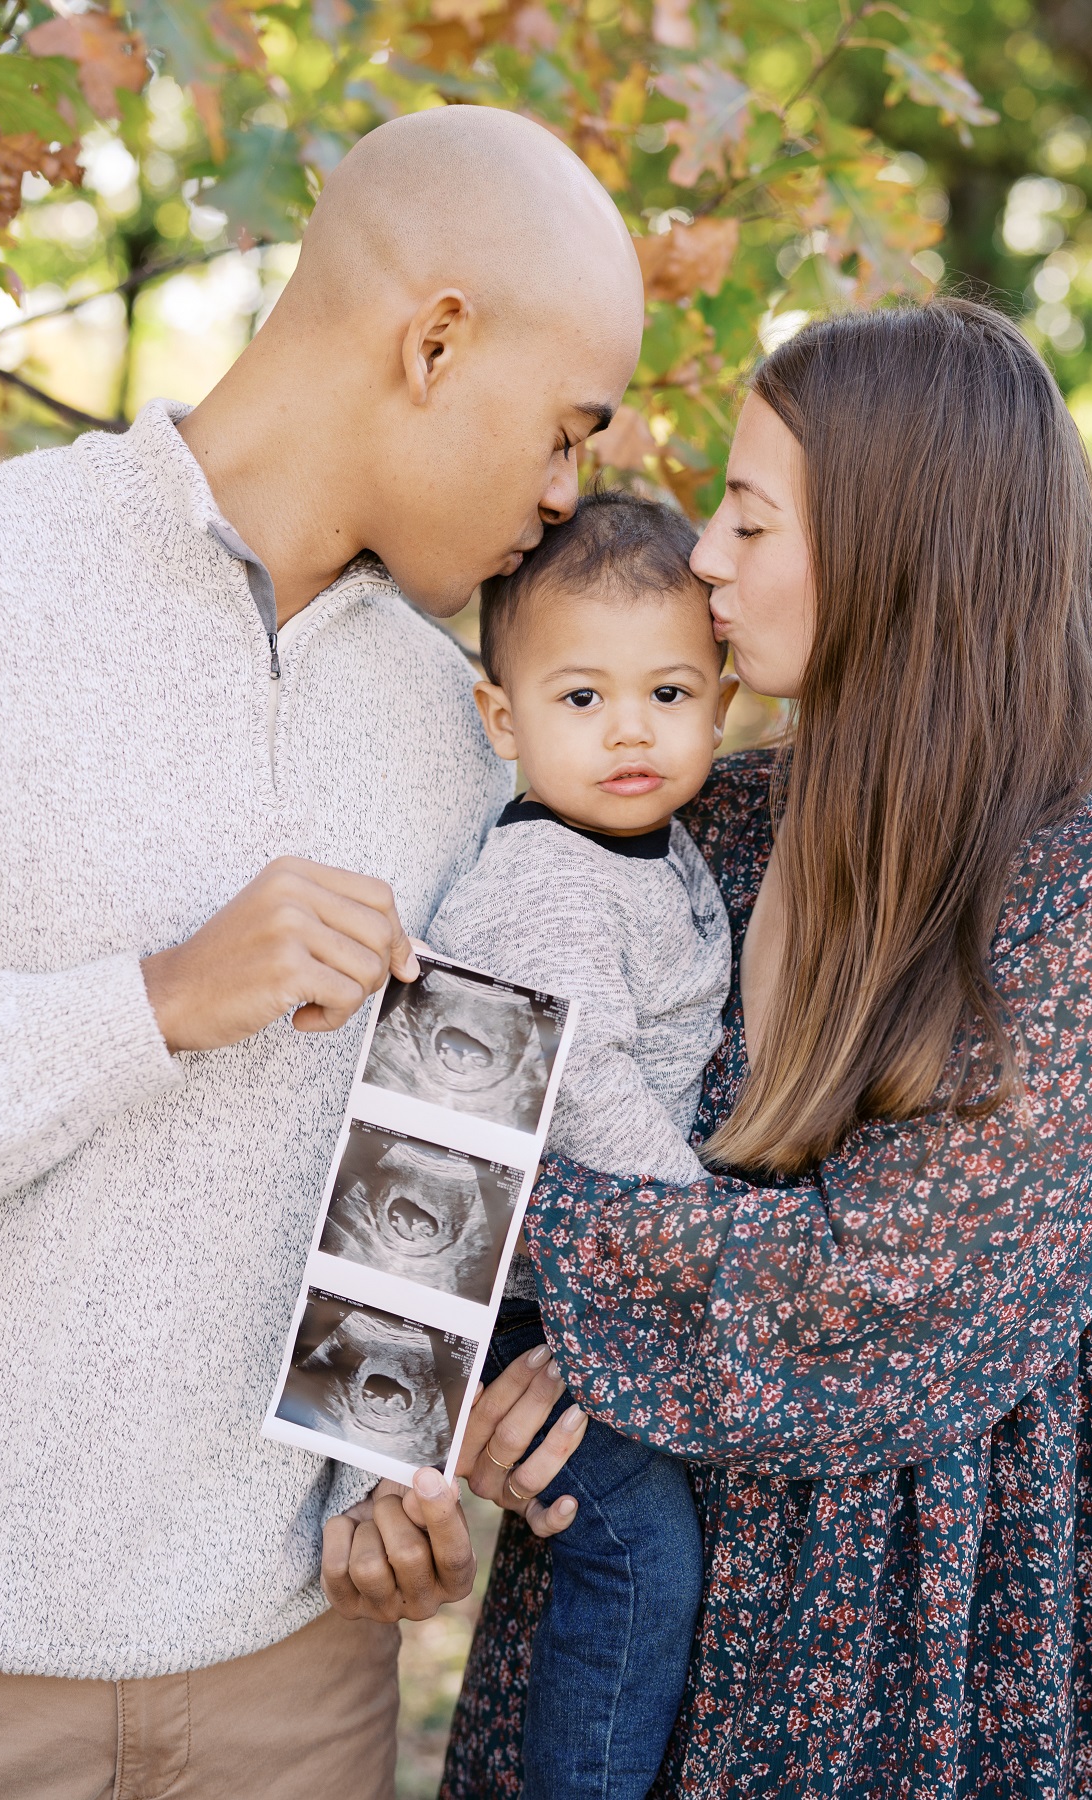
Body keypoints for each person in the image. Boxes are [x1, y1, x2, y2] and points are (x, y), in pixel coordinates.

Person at [437, 298, 1092, 1796]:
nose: (700, 557)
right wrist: (457, 1381)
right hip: (629, 1568)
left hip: (914, 1617)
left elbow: (886, 1299)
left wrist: (517, 1255)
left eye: (749, 520)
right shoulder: (692, 815)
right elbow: (453, 1088)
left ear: (895, 546)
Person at [0, 105, 644, 1795]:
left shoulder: (470, 742)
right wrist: (161, 1004)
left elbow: (431, 1204)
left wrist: (388, 1490)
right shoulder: (7, 579)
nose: (567, 497)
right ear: (435, 340)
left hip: (300, 1681)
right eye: (565, 433)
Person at [424, 493, 734, 1799]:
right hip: (512, 1298)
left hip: (583, 1280)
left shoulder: (643, 847)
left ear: (721, 700)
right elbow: (581, 1079)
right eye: (578, 699)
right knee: (635, 1549)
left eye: (666, 693)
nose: (626, 731)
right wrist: (701, 1234)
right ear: (503, 719)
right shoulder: (547, 878)